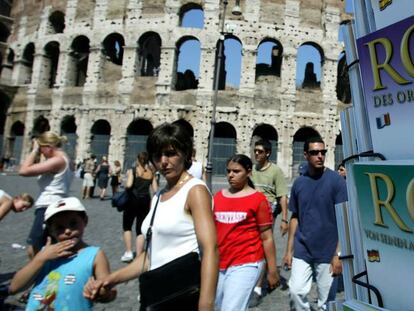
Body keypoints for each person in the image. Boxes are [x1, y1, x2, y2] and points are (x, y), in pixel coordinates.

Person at [84, 122, 218, 310]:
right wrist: (110, 279)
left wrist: (206, 304)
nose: (163, 161)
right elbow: (150, 258)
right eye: (157, 155)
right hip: (156, 294)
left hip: (183, 295)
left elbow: (210, 249)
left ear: (186, 154)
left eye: (171, 153)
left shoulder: (195, 191)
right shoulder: (158, 196)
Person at [9, 197, 116, 310]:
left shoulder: (94, 255)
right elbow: (14, 287)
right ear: (51, 230)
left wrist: (102, 292)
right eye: (60, 227)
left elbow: (109, 290)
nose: (67, 231)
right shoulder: (45, 254)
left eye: (73, 223)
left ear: (85, 221)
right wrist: (40, 259)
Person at [283, 136, 347, 311]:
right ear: (305, 155)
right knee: (295, 291)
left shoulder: (337, 181)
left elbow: (344, 219)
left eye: (322, 152)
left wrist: (338, 254)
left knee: (326, 302)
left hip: (329, 251)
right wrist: (288, 251)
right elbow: (295, 216)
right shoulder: (299, 183)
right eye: (314, 152)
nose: (320, 156)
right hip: (302, 248)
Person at [214, 154, 279, 311]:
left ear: (248, 172)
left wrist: (272, 270)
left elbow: (267, 237)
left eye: (236, 171)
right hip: (219, 263)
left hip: (246, 263)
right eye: (228, 171)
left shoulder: (258, 199)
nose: (231, 175)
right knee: (217, 306)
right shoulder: (217, 197)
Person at [19, 131, 73, 258]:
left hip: (48, 205)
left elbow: (23, 170)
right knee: (52, 244)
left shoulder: (57, 161)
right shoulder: (67, 160)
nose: (41, 152)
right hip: (58, 203)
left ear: (49, 147)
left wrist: (34, 151)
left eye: (41, 148)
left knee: (34, 248)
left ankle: (37, 274)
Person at [250, 139, 289, 306]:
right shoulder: (251, 170)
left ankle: (258, 288)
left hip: (267, 213)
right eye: (255, 151)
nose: (256, 154)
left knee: (262, 247)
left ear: (267, 153)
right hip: (250, 213)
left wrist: (285, 219)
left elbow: (282, 196)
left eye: (260, 151)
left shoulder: (276, 172)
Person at [120, 152, 158, 263]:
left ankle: (128, 252)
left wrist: (127, 179)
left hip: (132, 200)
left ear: (138, 159)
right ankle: (139, 255)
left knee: (127, 226)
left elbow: (129, 185)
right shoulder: (151, 173)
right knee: (140, 229)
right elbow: (155, 190)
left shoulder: (133, 170)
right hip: (145, 201)